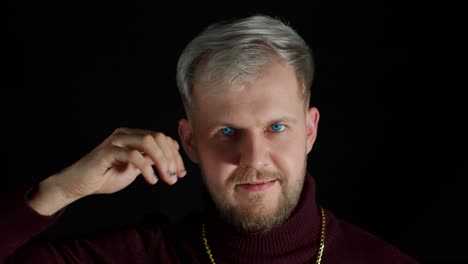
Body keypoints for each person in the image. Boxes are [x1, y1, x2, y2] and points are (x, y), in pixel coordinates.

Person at [1, 14, 418, 263]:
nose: (253, 158)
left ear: (309, 130)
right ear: (190, 141)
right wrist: (61, 189)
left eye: (276, 127)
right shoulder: (143, 256)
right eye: (226, 132)